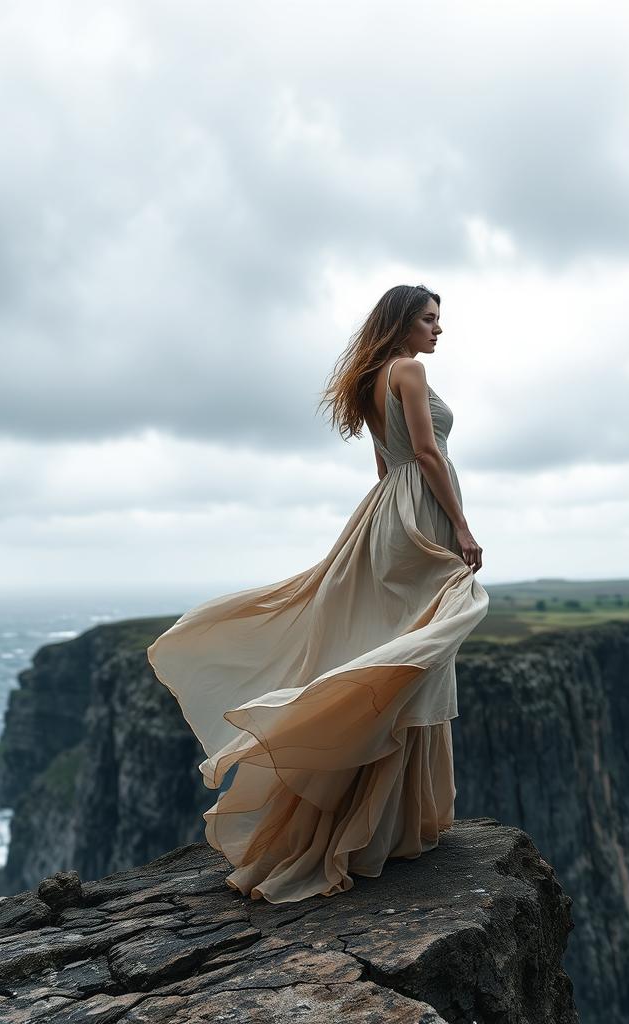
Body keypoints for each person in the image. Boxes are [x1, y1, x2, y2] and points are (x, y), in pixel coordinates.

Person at [147, 283, 489, 903]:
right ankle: (386, 824)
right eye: (430, 320)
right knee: (419, 652)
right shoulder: (407, 370)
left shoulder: (369, 377)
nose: (439, 331)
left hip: (389, 515)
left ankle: (381, 821)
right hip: (420, 516)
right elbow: (425, 455)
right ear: (402, 324)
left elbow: (384, 469)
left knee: (400, 653)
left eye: (440, 321)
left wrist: (389, 520)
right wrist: (461, 527)